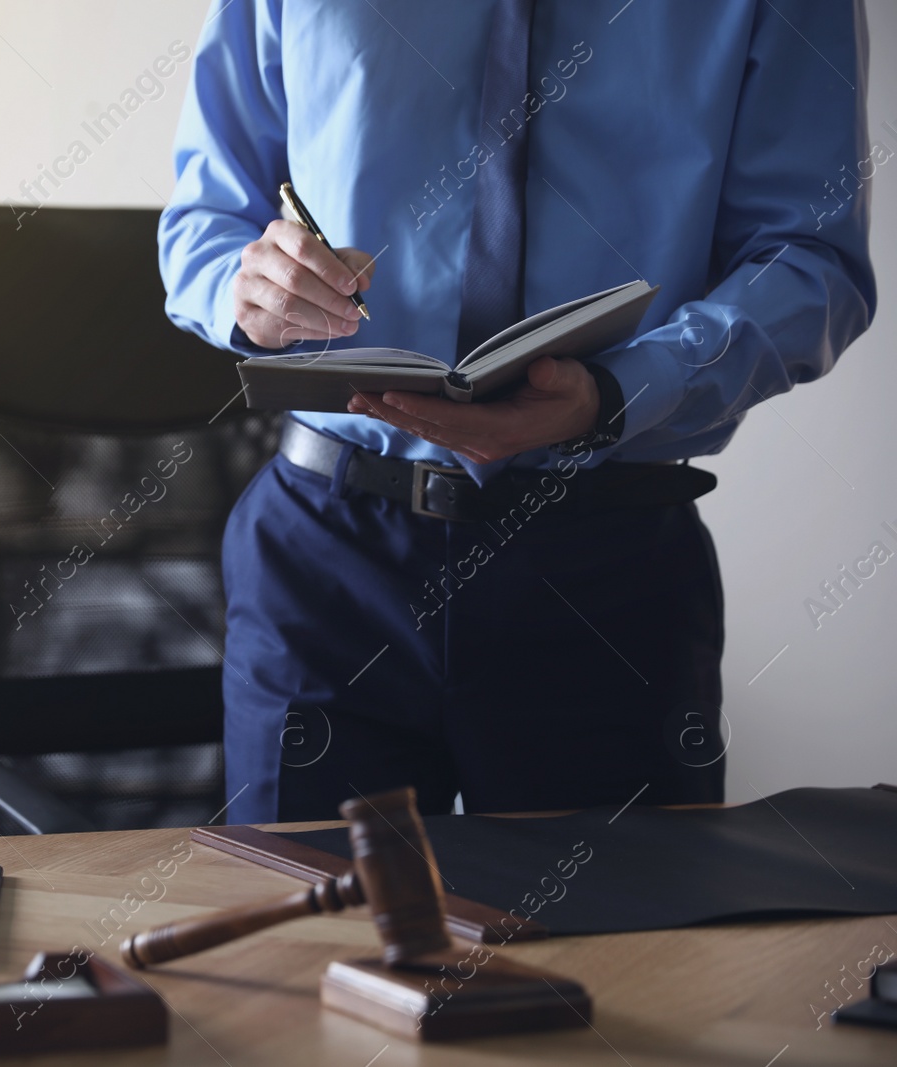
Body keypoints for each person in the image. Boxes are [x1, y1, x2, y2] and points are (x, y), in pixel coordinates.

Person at [159, 0, 874, 823]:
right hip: (328, 563)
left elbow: (812, 259)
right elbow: (206, 220)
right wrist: (241, 286)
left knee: (621, 946)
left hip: (608, 568)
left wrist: (618, 389)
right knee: (298, 939)